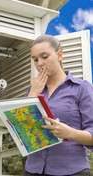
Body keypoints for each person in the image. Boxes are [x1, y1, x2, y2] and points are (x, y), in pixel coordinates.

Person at [24, 34, 93, 176]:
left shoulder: (81, 88)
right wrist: (32, 95)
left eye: (45, 56)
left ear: (59, 55)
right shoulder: (33, 89)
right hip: (33, 170)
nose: (40, 63)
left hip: (72, 171)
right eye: (35, 60)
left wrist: (70, 133)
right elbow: (21, 129)